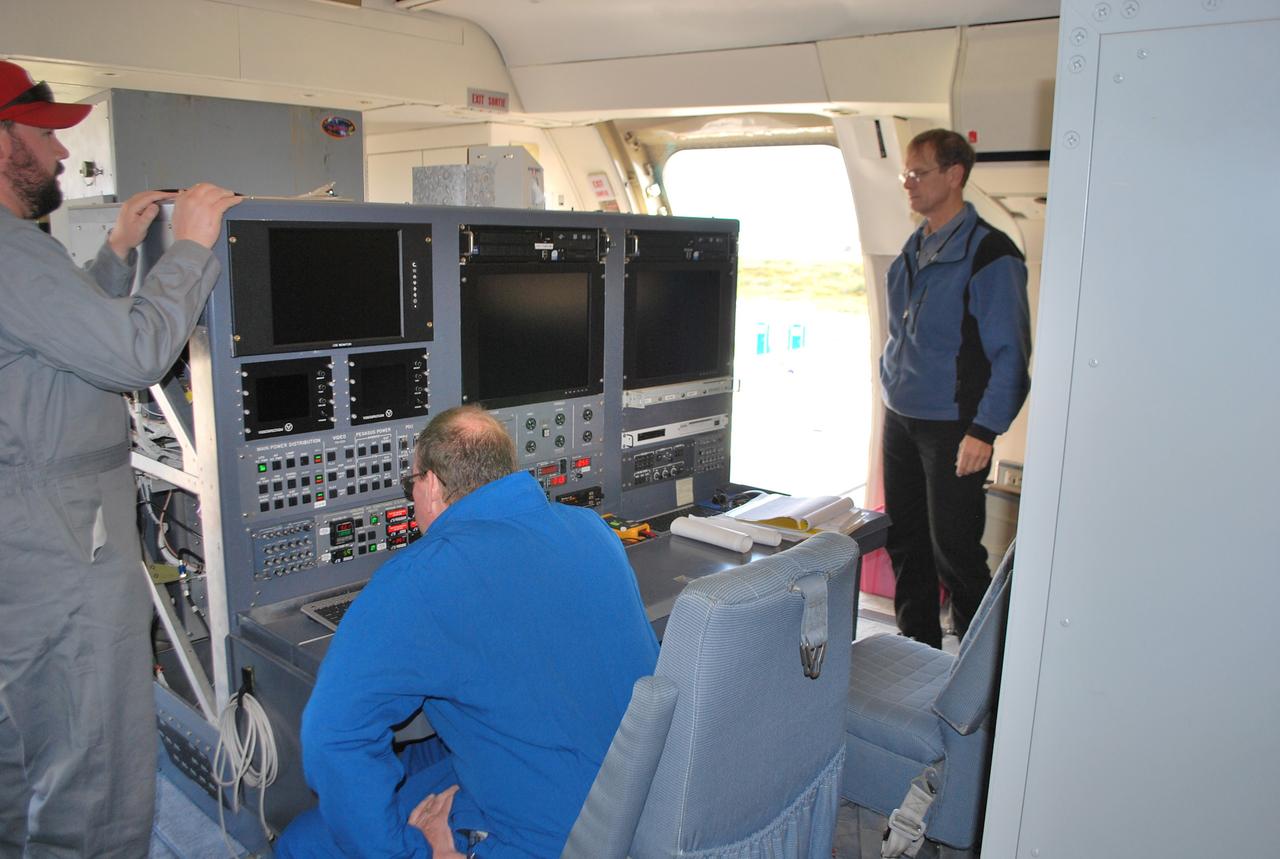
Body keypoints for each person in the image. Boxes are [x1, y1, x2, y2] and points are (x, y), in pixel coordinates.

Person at [0, 60, 241, 856]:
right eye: (43, 136)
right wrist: (193, 247)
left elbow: (52, 344)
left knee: (28, 755)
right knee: (94, 777)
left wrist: (116, 254)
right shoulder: (8, 253)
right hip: (62, 545)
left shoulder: (19, 257)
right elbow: (133, 352)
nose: (62, 155)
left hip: (28, 536)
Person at [277, 405, 659, 859]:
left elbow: (334, 740)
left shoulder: (419, 579)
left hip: (549, 840)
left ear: (432, 485)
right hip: (643, 801)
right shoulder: (592, 530)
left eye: (411, 486)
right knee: (417, 759)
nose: (412, 499)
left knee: (302, 841)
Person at [879, 128, 1031, 649]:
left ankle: (979, 669)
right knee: (905, 542)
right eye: (906, 173)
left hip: (952, 427)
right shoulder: (914, 247)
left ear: (955, 175)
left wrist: (984, 430)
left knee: (956, 553)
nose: (909, 184)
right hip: (900, 414)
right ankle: (916, 648)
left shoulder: (990, 253)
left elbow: (1011, 354)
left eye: (919, 173)